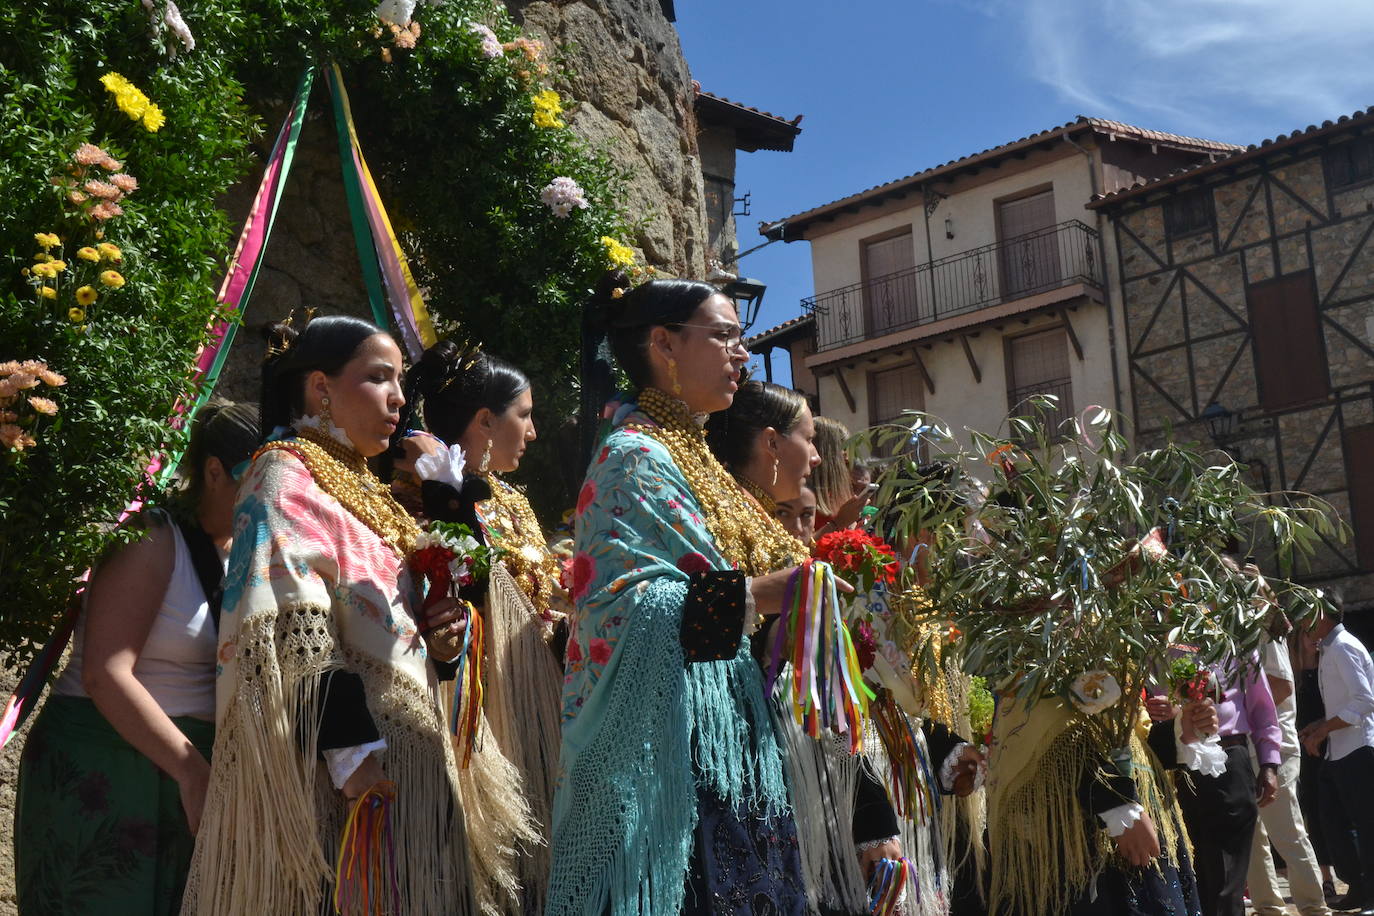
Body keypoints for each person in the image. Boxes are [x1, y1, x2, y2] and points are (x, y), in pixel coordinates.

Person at [181, 315, 476, 915]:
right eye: (378, 378)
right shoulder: (283, 474)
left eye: (401, 382)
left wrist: (446, 642)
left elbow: (392, 624)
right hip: (343, 776)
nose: (399, 398)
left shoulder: (358, 487)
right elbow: (291, 624)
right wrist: (352, 759)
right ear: (320, 388)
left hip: (405, 752)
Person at [549, 278, 815, 916]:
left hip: (725, 739)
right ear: (663, 344)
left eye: (740, 338)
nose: (742, 354)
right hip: (672, 757)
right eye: (724, 336)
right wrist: (757, 595)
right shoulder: (633, 457)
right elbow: (618, 609)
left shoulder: (689, 455)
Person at [14, 400, 259, 915]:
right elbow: (106, 674)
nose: (275, 505)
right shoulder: (153, 538)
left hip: (181, 777)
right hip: (105, 767)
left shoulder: (242, 553)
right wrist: (193, 771)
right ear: (214, 472)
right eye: (260, 484)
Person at [403, 340, 563, 913]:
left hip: (535, 702)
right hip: (468, 705)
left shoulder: (516, 504)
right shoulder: (414, 497)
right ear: (485, 421)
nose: (534, 432)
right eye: (525, 415)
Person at [1147, 653, 1281, 916]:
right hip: (1171, 768)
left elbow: (1262, 707)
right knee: (1190, 876)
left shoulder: (1234, 635)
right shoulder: (1154, 635)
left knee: (1224, 880)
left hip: (1226, 762)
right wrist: (1168, 714)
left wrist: (1269, 764)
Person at [1244, 566, 1332, 916]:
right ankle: (1269, 908)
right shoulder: (1241, 633)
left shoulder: (1266, 630)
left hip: (1273, 747)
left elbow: (1280, 687)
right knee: (1253, 839)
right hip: (1247, 746)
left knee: (1286, 833)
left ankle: (1313, 908)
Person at [1300, 591, 1374, 913]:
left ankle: (1370, 893)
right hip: (1339, 753)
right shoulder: (1329, 649)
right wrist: (1318, 726)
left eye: (1306, 615)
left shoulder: (1343, 647)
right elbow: (1344, 704)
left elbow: (1364, 701)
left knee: (1366, 826)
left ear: (1321, 616)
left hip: (1358, 750)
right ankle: (1358, 886)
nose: (1302, 623)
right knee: (1332, 823)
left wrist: (1323, 730)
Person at [811, 416, 871, 537]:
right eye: (844, 449)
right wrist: (838, 523)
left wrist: (855, 530)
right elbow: (798, 550)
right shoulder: (801, 494)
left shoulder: (837, 494)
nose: (847, 457)